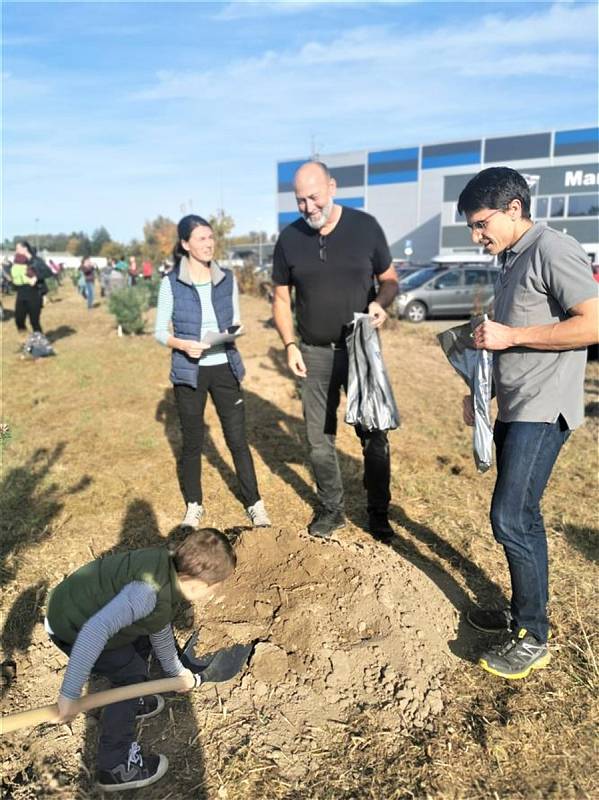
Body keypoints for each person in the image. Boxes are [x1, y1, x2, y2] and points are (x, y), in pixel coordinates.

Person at [458, 167, 598, 680]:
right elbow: (511, 335)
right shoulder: (512, 260)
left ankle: (534, 635)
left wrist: (511, 337)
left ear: (513, 208)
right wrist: (481, 390)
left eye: (480, 224)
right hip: (517, 406)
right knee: (521, 515)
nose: (477, 237)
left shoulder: (553, 249)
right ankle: (522, 616)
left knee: (511, 518)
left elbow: (592, 322)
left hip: (544, 408)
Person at [45, 528, 235, 791]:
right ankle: (115, 766)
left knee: (141, 642)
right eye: (214, 587)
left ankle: (133, 698)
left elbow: (158, 626)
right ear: (197, 584)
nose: (213, 594)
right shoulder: (146, 593)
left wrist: (175, 671)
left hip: (78, 606)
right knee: (130, 674)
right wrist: (69, 694)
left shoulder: (165, 567)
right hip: (72, 627)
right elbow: (94, 631)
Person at [272, 161, 398, 540]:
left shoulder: (366, 227)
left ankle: (378, 513)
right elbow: (280, 298)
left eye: (314, 197)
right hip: (313, 352)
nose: (309, 207)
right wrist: (290, 344)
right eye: (300, 201)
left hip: (360, 349)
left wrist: (382, 303)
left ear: (332, 186)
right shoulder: (289, 239)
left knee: (374, 435)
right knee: (318, 440)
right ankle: (332, 510)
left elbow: (389, 280)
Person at [154, 214, 271, 529]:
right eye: (201, 238)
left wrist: (234, 330)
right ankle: (194, 506)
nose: (208, 244)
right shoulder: (170, 283)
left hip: (224, 368)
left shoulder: (227, 279)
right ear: (185, 244)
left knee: (237, 440)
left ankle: (255, 505)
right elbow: (158, 332)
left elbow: (234, 320)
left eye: (210, 237)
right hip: (189, 371)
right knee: (193, 442)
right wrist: (182, 344)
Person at [11, 240, 51, 335]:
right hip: (21, 293)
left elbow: (48, 272)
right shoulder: (17, 261)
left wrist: (36, 277)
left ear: (25, 248)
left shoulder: (35, 260)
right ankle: (26, 340)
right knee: (19, 319)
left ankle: (40, 342)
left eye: (18, 248)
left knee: (34, 321)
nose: (16, 251)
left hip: (34, 293)